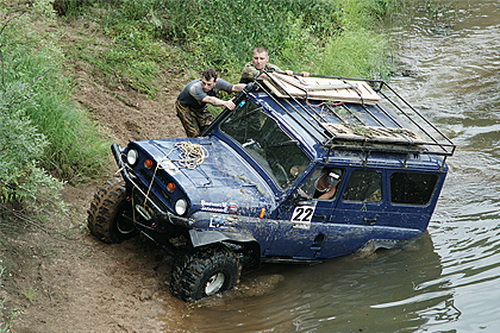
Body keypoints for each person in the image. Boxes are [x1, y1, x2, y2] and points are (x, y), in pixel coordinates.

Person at [176, 68, 246, 137]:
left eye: (209, 84)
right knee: (194, 133)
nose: (205, 86)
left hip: (200, 106)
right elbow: (209, 99)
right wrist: (225, 103)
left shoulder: (219, 83)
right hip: (185, 106)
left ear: (215, 82)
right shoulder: (195, 88)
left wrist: (250, 87)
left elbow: (234, 87)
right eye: (204, 83)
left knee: (211, 127)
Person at [239, 46, 309, 84]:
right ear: (252, 58)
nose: (258, 61)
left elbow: (283, 76)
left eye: (262, 58)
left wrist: (299, 76)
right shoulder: (248, 68)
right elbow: (262, 76)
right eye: (256, 58)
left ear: (267, 59)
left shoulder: (270, 67)